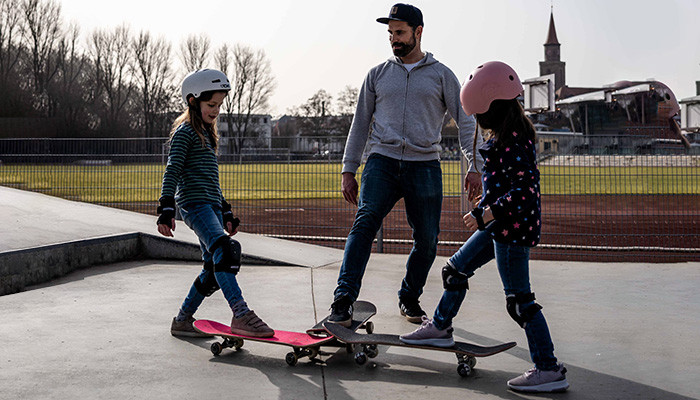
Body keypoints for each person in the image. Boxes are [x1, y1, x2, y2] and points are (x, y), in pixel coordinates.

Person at [399, 61, 569, 393]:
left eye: (479, 115)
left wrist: (486, 213)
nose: (477, 121)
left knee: (520, 302)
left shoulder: (514, 143)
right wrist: (486, 204)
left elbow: (523, 193)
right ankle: (440, 327)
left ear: (492, 108)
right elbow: (508, 185)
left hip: (512, 231)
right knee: (455, 271)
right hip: (500, 226)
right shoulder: (506, 138)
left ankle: (549, 369)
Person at [328, 3, 483, 326]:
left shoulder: (442, 75)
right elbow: (360, 124)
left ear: (418, 32)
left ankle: (409, 297)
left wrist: (475, 165)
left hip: (424, 165)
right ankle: (343, 299)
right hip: (381, 163)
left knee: (427, 239)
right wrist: (348, 169)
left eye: (399, 32)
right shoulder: (377, 75)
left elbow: (467, 123)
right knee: (364, 224)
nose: (394, 39)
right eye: (390, 34)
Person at [157, 69, 274, 338]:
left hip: (208, 204)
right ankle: (241, 313)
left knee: (212, 268)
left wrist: (225, 209)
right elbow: (172, 169)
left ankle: (183, 320)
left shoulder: (208, 135)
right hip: (193, 204)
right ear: (192, 101)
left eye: (220, 105)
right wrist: (166, 207)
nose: (216, 110)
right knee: (225, 249)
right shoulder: (185, 132)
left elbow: (211, 180)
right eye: (211, 105)